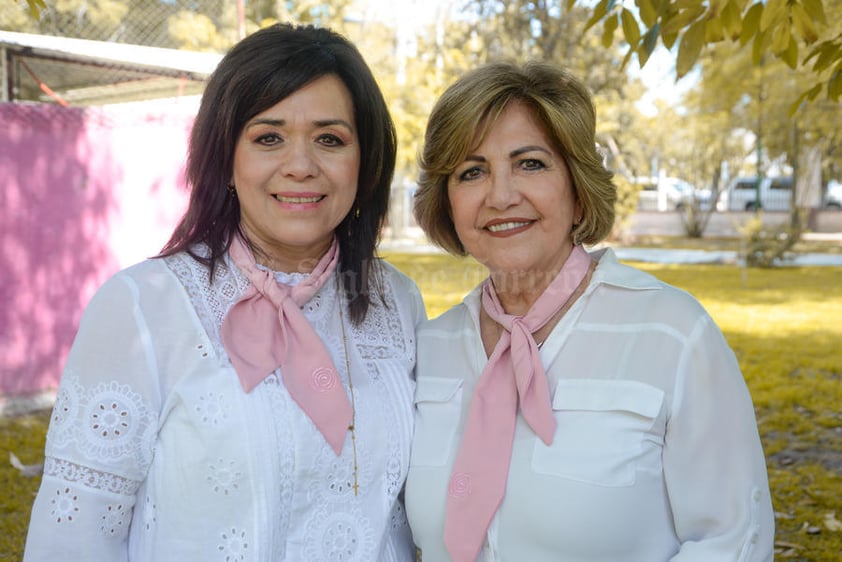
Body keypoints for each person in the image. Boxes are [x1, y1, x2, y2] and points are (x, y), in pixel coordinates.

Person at [24, 23, 425, 562]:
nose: (301, 165)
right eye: (269, 137)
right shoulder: (144, 308)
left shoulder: (398, 303)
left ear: (365, 161)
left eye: (330, 138)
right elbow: (74, 538)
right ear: (226, 160)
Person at [405, 61, 774, 562]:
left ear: (577, 188)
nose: (501, 195)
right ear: (447, 203)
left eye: (530, 163)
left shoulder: (672, 334)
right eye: (472, 172)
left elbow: (731, 540)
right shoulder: (431, 345)